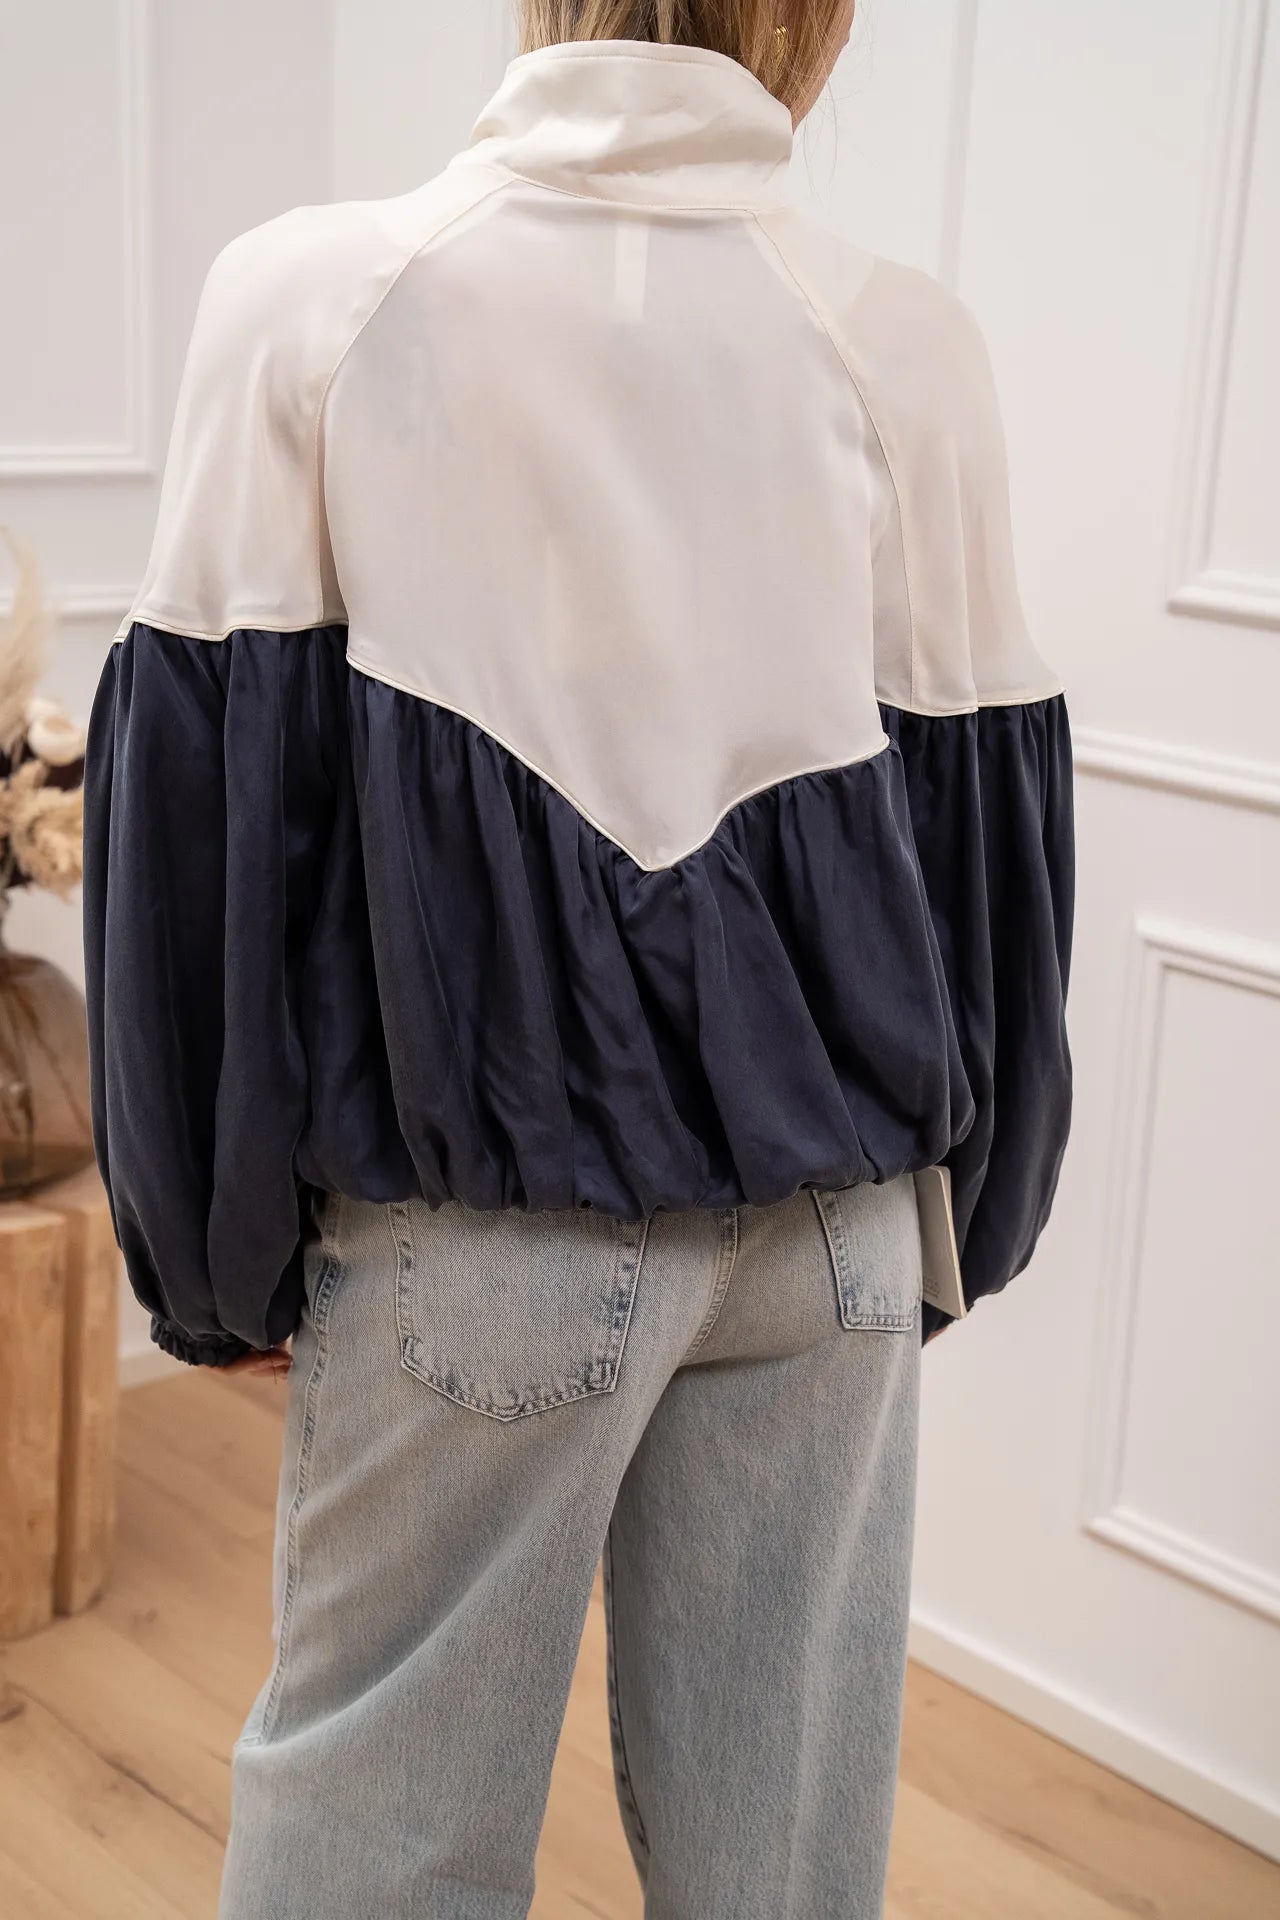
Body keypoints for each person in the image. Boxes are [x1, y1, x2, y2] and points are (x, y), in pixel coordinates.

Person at [83, 3, 1074, 1914]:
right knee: (786, 1875)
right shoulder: (905, 338)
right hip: (839, 1241)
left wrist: (214, 1260)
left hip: (482, 1238)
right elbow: (983, 847)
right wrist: (956, 1233)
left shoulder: (315, 301)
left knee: (373, 1851)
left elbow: (209, 821)